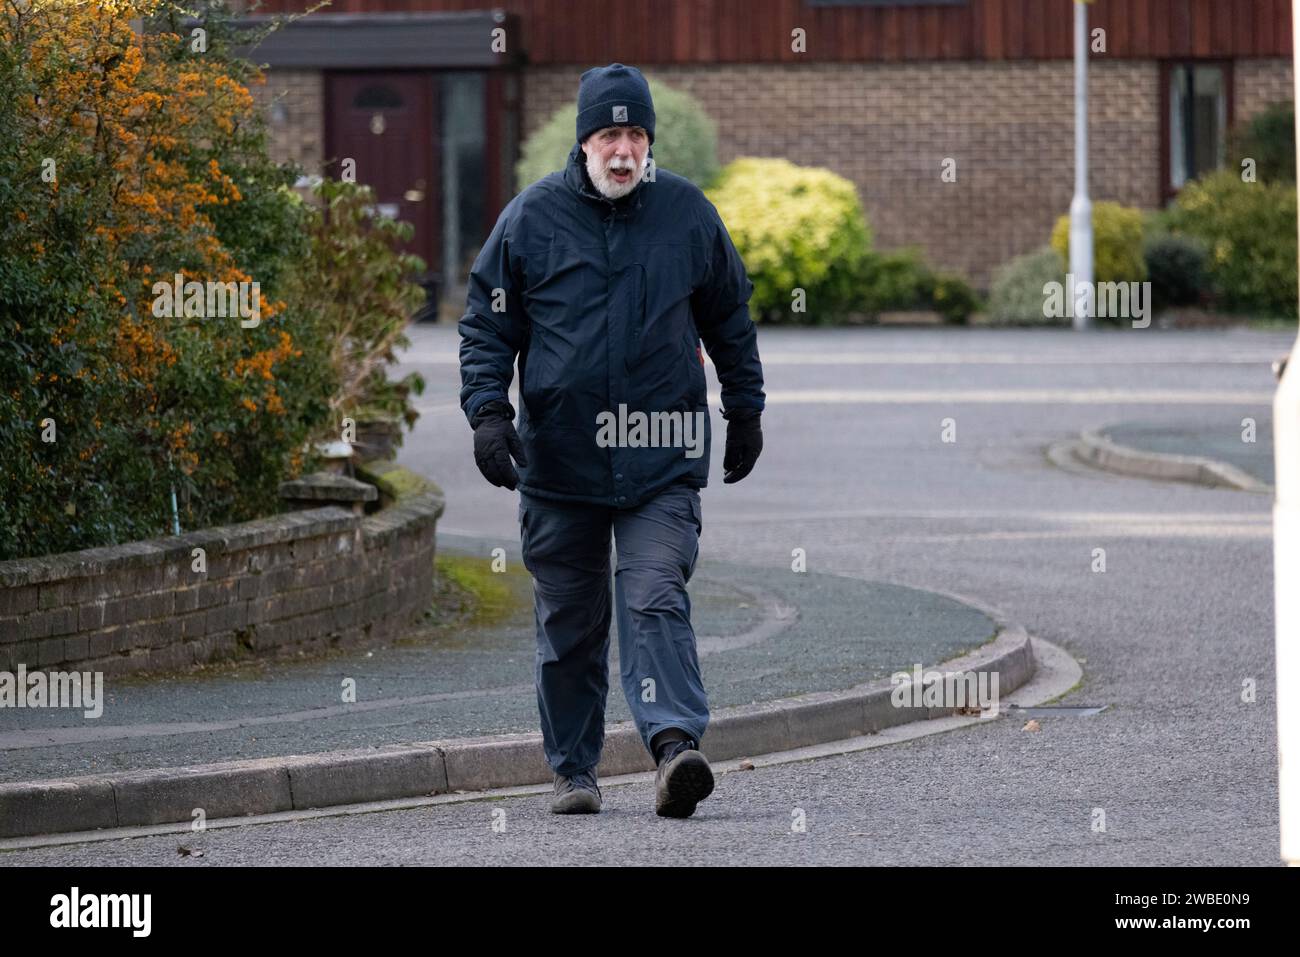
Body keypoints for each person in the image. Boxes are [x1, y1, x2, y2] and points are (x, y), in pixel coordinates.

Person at [458, 63, 764, 818]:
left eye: (634, 134)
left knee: (655, 593)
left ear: (648, 141)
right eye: (608, 134)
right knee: (569, 624)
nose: (622, 150)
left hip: (661, 459)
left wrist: (746, 405)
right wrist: (488, 413)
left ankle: (673, 749)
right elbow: (487, 326)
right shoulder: (531, 219)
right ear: (584, 142)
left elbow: (730, 315)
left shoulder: (687, 215)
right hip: (559, 464)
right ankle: (574, 771)